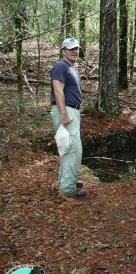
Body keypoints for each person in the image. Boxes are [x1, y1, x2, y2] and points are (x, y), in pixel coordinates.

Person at [50, 37, 86, 199]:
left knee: (66, 150)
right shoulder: (60, 66)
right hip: (66, 112)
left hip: (71, 111)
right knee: (73, 151)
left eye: (76, 48)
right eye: (71, 48)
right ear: (63, 50)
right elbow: (58, 90)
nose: (74, 51)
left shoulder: (69, 67)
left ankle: (66, 181)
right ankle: (67, 189)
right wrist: (64, 114)